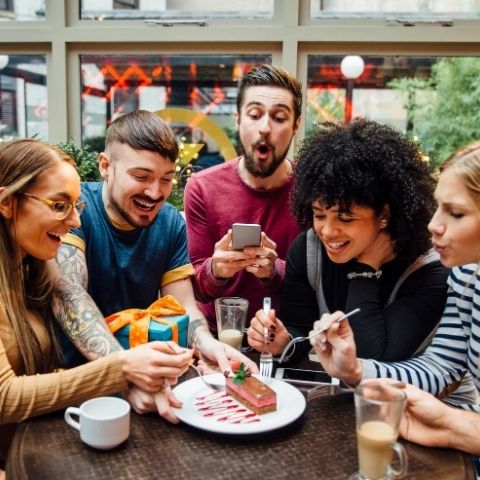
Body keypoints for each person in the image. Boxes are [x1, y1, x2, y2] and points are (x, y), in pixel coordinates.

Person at [0, 138, 193, 467]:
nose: (75, 221)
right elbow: (5, 398)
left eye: (76, 205)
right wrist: (122, 368)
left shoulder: (28, 266)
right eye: (60, 205)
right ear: (7, 203)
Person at [55, 110, 256, 421]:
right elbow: (69, 298)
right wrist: (124, 373)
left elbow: (184, 306)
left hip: (149, 386)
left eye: (166, 178)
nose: (155, 192)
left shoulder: (170, 222)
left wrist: (209, 345)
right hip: (76, 389)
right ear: (106, 166)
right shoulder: (76, 207)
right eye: (141, 177)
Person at [310, 141, 480, 455]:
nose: (434, 225)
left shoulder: (438, 272)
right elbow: (441, 368)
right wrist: (355, 371)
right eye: (437, 206)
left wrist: (453, 426)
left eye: (455, 213)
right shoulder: (468, 276)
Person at [248, 119, 448, 363]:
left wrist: (366, 269)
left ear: (384, 215)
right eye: (319, 215)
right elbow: (299, 330)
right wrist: (284, 341)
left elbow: (372, 359)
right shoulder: (308, 250)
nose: (328, 231)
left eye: (345, 218)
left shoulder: (428, 270)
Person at [184, 64, 302, 332]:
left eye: (279, 118)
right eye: (255, 114)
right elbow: (194, 289)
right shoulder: (202, 187)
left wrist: (275, 272)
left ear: (296, 125)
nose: (265, 128)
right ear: (238, 119)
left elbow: (318, 286)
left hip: (285, 339)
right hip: (218, 339)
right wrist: (216, 269)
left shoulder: (310, 189)